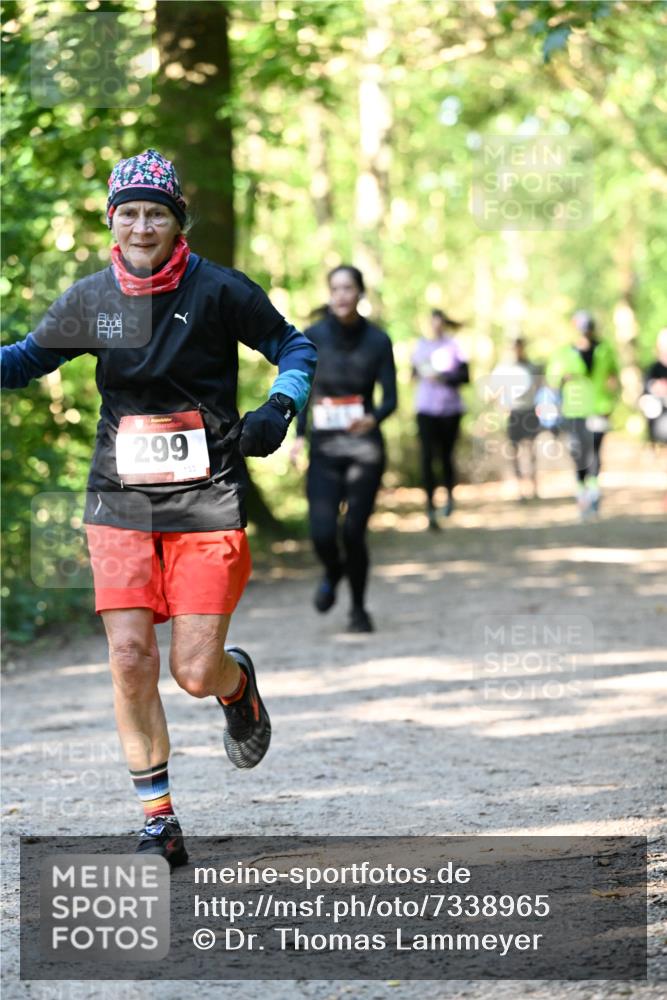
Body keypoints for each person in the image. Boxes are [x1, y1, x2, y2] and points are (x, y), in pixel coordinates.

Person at [0, 149, 317, 867]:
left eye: (157, 214)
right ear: (112, 222)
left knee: (194, 672)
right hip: (120, 502)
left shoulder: (218, 291)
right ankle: (158, 821)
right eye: (129, 213)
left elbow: (294, 347)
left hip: (208, 500)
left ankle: (236, 685)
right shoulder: (90, 299)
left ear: (178, 224)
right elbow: (23, 361)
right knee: (130, 657)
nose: (142, 226)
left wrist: (280, 405)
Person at [290, 265, 397, 633]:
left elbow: (391, 398)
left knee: (353, 532)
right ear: (329, 293)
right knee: (322, 532)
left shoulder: (378, 341)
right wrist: (299, 436)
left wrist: (374, 418)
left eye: (348, 288)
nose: (341, 295)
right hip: (324, 447)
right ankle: (333, 570)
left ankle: (358, 609)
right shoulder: (312, 336)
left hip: (364, 448)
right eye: (335, 288)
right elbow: (302, 391)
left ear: (359, 293)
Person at [546, 310, 620, 517]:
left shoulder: (604, 350)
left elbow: (614, 376)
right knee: (578, 450)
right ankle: (581, 490)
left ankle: (593, 491)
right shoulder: (564, 353)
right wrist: (563, 380)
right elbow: (553, 380)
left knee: (595, 448)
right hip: (574, 409)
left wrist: (611, 395)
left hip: (599, 407)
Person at [411, 309, 469, 529]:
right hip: (425, 408)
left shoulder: (455, 346)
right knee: (427, 457)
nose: (436, 326)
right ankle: (430, 507)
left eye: (439, 322)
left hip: (450, 410)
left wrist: (443, 377)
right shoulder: (420, 347)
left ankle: (449, 498)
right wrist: (420, 373)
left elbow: (465, 376)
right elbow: (412, 374)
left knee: (446, 455)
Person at [488, 337, 542, 500]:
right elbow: (494, 391)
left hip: (530, 411)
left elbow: (540, 387)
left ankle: (533, 485)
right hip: (514, 412)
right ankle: (519, 487)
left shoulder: (532, 367)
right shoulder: (503, 369)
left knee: (531, 450)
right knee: (514, 451)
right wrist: (501, 405)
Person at [640, 328, 667, 446]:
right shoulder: (653, 369)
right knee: (650, 404)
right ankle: (652, 442)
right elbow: (645, 393)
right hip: (658, 412)